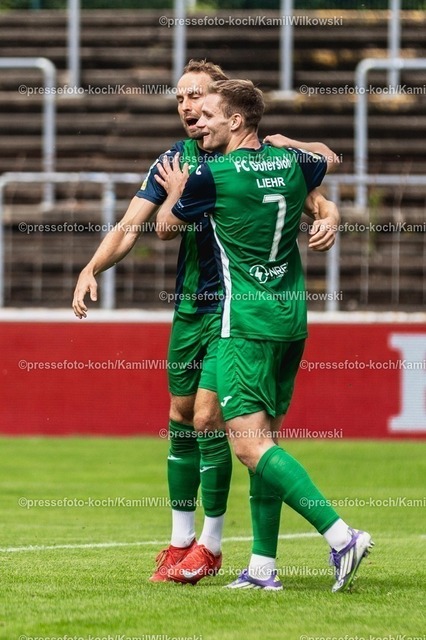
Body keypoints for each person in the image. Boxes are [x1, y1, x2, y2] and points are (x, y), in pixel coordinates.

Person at [72, 59, 340, 586]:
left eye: (196, 96)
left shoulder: (257, 155)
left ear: (223, 105)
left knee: (208, 418)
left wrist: (330, 217)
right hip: (191, 306)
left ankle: (211, 545)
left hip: (235, 309)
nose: (187, 106)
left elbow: (317, 198)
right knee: (179, 415)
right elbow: (132, 225)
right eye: (179, 98)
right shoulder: (176, 158)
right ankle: (180, 542)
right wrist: (91, 267)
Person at [154, 78, 374, 592]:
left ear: (236, 121)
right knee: (266, 443)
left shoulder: (211, 174)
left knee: (250, 447)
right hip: (291, 321)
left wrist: (177, 192)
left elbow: (165, 228)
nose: (198, 122)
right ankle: (262, 567)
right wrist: (291, 146)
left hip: (245, 324)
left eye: (209, 114)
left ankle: (341, 535)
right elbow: (326, 157)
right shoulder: (293, 163)